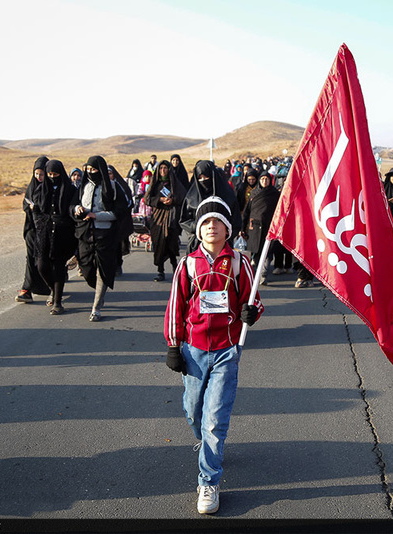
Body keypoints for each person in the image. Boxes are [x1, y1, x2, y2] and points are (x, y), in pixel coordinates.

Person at [164, 196, 263, 515]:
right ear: (199, 228)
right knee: (195, 412)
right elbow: (175, 307)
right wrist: (173, 345)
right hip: (193, 351)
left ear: (227, 229)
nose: (211, 227)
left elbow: (254, 300)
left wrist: (251, 312)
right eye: (205, 222)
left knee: (214, 420)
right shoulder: (188, 264)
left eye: (217, 222)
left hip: (226, 352)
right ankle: (204, 439)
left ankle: (208, 481)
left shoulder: (239, 263)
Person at [71, 155, 130, 322]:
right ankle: (95, 288)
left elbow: (120, 211)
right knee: (87, 269)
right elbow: (72, 204)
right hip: (85, 234)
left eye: (94, 170)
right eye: (88, 170)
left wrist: (96, 216)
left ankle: (96, 307)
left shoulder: (112, 187)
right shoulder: (83, 186)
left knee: (102, 271)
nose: (90, 173)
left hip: (105, 235)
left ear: (101, 170)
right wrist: (76, 209)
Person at [32, 160, 78, 314]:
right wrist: (39, 221)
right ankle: (54, 289)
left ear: (61, 174)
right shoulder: (41, 189)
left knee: (58, 267)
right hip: (44, 233)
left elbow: (71, 210)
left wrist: (63, 221)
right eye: (50, 174)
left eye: (55, 174)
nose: (52, 177)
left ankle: (57, 303)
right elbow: (36, 210)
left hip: (62, 234)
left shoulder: (70, 190)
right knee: (42, 266)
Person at [179, 160, 241, 254]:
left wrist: (225, 235)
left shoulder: (227, 195)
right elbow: (184, 220)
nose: (203, 180)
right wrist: (199, 227)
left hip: (223, 246)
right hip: (197, 246)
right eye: (200, 178)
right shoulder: (191, 197)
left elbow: (236, 221)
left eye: (206, 176)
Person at [16, 156, 51, 303]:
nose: (38, 177)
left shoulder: (51, 188)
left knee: (44, 260)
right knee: (31, 258)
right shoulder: (32, 187)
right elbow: (25, 204)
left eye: (42, 174)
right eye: (36, 174)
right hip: (32, 229)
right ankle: (27, 290)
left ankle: (53, 288)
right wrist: (30, 208)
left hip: (47, 230)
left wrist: (38, 208)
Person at [147, 159, 188, 281]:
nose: (163, 170)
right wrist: (159, 200)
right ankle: (160, 271)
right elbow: (147, 199)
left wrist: (173, 200)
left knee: (171, 244)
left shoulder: (174, 183)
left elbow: (183, 196)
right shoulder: (155, 184)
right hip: (157, 219)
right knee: (159, 244)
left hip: (171, 218)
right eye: (161, 168)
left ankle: (176, 269)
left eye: (165, 168)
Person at [242, 171, 280, 283]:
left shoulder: (275, 194)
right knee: (256, 251)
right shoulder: (254, 194)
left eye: (267, 179)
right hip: (254, 227)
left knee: (268, 251)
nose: (265, 181)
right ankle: (257, 274)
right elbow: (247, 211)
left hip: (269, 227)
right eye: (262, 179)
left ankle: (263, 273)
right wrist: (243, 228)